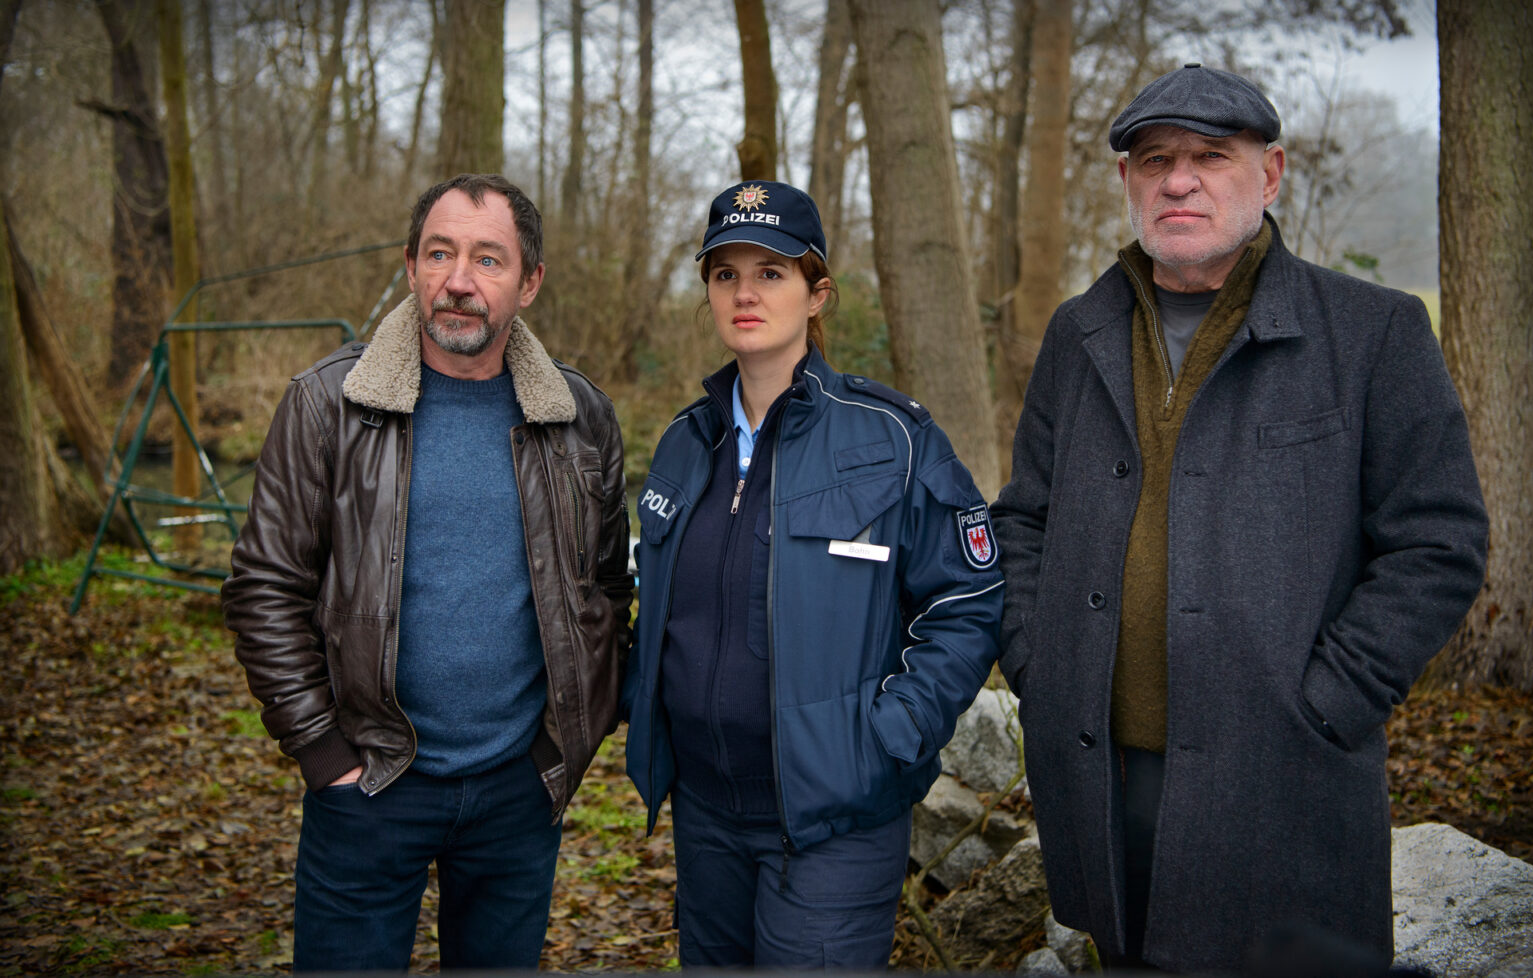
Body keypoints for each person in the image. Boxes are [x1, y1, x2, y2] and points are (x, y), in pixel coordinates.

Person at [990, 64, 1488, 973]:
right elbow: (1024, 518)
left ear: (1270, 174)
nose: (1178, 180)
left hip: (1287, 778)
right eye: (1155, 159)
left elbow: (1438, 540)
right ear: (1127, 182)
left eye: (1211, 157)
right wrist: (1040, 662)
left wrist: (1333, 701)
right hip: (1111, 774)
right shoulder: (1079, 332)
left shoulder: (1371, 332)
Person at [221, 173, 632, 972]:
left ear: (530, 282)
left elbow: (605, 591)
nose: (459, 281)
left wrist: (575, 734)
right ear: (410, 265)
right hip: (371, 782)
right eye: (440, 253)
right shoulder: (325, 404)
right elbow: (264, 587)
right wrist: (321, 752)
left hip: (519, 791)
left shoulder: (581, 419)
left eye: (488, 259)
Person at [624, 181, 1002, 967]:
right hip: (704, 815)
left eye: (771, 272)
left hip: (831, 821)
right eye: (725, 274)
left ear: (816, 291)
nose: (745, 293)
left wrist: (888, 736)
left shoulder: (892, 438)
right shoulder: (683, 444)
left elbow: (967, 601)